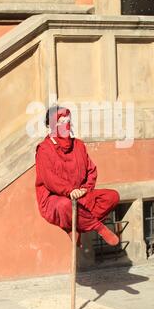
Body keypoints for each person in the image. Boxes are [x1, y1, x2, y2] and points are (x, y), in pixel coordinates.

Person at [35, 105, 120, 246]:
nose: (66, 125)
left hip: (80, 196)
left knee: (112, 197)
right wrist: (69, 191)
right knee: (65, 205)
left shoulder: (79, 145)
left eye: (68, 120)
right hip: (54, 200)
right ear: (52, 125)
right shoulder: (44, 149)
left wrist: (85, 189)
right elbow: (50, 179)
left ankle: (73, 226)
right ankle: (98, 227)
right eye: (62, 122)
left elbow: (91, 170)